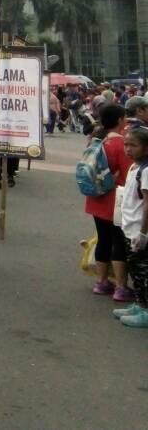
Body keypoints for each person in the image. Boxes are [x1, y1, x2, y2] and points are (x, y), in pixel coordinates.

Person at [85, 103, 135, 302]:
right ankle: (121, 287)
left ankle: (101, 281)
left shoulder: (97, 141)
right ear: (120, 120)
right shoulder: (123, 145)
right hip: (117, 200)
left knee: (103, 240)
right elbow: (129, 174)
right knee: (119, 243)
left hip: (96, 198)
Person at [115, 127, 148, 327]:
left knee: (144, 273)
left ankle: (146, 310)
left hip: (140, 231)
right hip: (130, 228)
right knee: (135, 270)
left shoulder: (146, 170)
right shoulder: (135, 166)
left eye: (133, 145)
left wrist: (143, 233)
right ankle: (140, 303)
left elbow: (147, 203)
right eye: (126, 144)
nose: (128, 149)